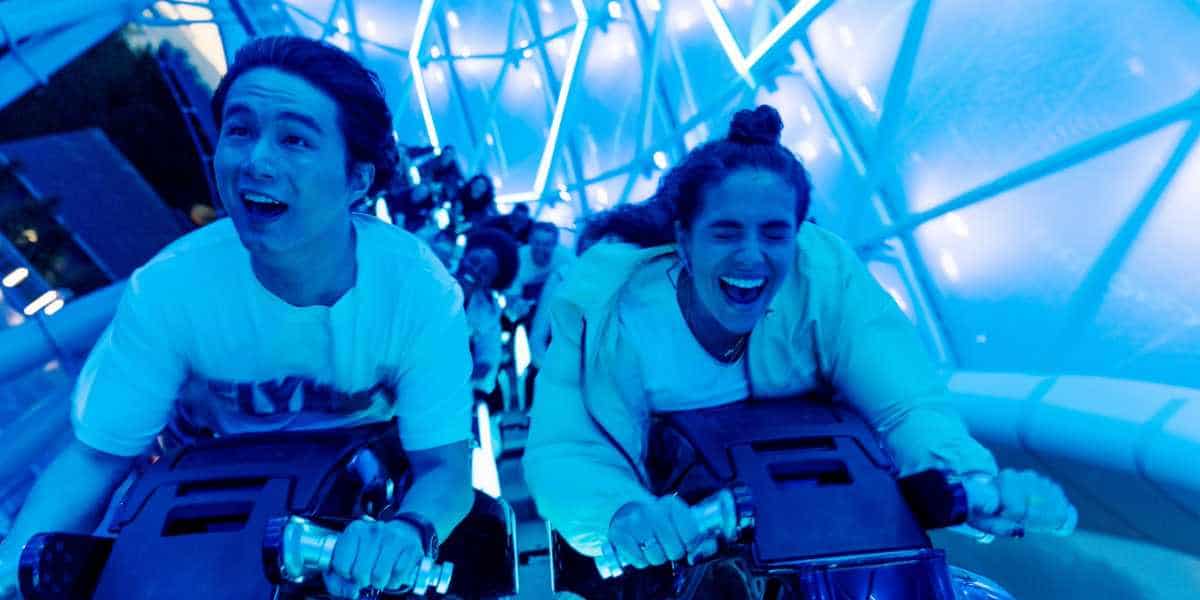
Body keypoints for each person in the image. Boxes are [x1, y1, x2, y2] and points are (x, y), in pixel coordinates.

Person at [0, 36, 475, 599]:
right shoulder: (172, 288)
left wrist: (407, 531)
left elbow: (443, 466)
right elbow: (101, 455)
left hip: (356, 509)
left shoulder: (416, 291)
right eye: (240, 130)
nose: (255, 161)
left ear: (357, 180)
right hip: (203, 512)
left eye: (295, 139)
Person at [522, 105, 1076, 572]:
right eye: (726, 231)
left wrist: (964, 482)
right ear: (683, 240)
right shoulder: (608, 312)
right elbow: (570, 447)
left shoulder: (825, 279)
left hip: (828, 537)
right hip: (685, 548)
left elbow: (906, 404)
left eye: (774, 233)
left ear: (799, 235)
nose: (750, 257)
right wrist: (622, 515)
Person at [455, 228, 520, 406]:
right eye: (474, 261)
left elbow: (489, 354)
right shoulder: (434, 275)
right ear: (464, 256)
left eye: (485, 271)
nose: (476, 270)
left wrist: (477, 370)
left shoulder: (488, 311)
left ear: (491, 283)